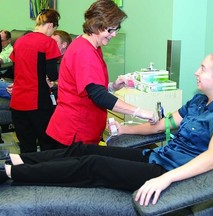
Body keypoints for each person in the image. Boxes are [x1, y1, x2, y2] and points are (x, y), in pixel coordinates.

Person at [0, 52, 213, 206]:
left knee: (93, 164)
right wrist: (124, 131)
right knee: (83, 149)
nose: (196, 72)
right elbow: (161, 125)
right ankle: (12, 158)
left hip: (170, 173)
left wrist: (165, 178)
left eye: (203, 69)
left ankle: (5, 173)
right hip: (157, 157)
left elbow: (212, 158)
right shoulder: (197, 102)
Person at [45, 0, 156, 147]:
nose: (114, 34)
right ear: (96, 25)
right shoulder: (84, 51)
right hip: (75, 132)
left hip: (80, 129)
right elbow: (98, 95)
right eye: (111, 30)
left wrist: (113, 86)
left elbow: (88, 86)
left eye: (117, 29)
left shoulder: (90, 45)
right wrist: (141, 112)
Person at [9, 8, 62, 153]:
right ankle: (44, 173)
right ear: (50, 25)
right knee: (46, 142)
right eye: (54, 29)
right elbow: (52, 74)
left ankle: (26, 173)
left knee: (26, 144)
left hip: (18, 100)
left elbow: (15, 70)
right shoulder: (47, 43)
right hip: (38, 102)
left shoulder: (19, 41)